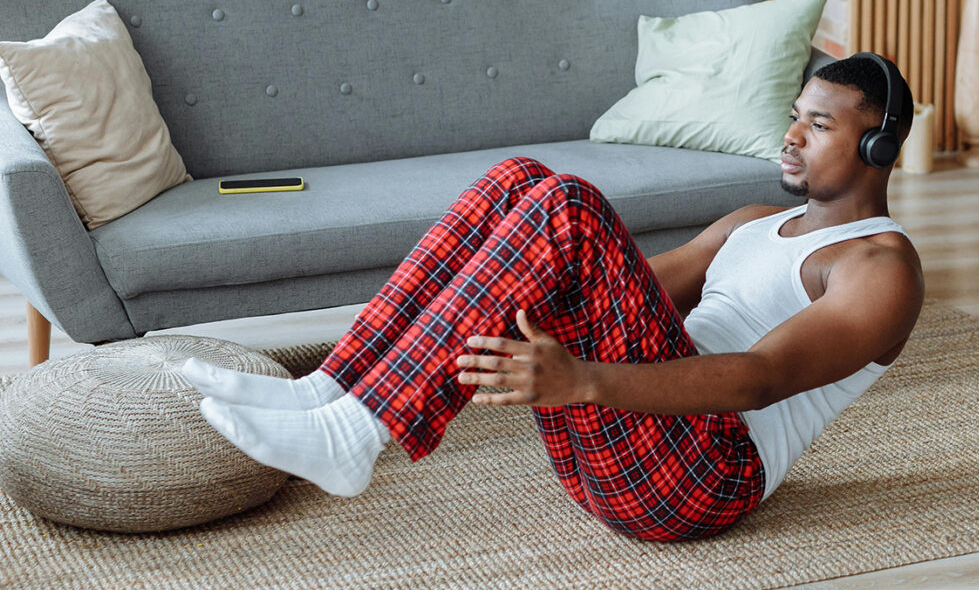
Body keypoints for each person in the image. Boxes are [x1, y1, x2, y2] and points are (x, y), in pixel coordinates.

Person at [187, 53, 926, 542]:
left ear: (877, 149)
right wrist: (514, 261)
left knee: (566, 204)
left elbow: (761, 381)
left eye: (819, 123)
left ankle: (356, 432)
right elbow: (619, 290)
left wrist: (584, 379)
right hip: (622, 442)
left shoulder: (878, 267)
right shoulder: (754, 224)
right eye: (796, 113)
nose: (791, 134)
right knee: (520, 182)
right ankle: (335, 390)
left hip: (703, 480)